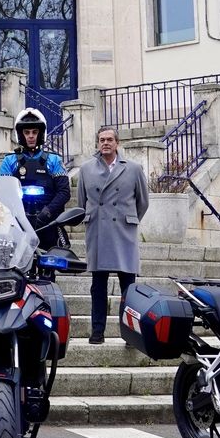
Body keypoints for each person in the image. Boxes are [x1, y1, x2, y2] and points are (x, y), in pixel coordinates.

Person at [77, 126, 150, 344]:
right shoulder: (86, 169)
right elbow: (82, 202)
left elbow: (143, 202)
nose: (105, 143)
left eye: (109, 139)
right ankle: (97, 331)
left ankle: (130, 333)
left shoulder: (134, 169)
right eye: (101, 140)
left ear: (117, 143)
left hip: (123, 232)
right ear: (97, 143)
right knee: (98, 286)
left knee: (128, 288)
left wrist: (128, 219)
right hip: (98, 231)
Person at [0, 107, 70, 250]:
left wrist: (47, 212)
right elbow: (2, 192)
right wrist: (17, 215)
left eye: (34, 132)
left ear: (40, 134)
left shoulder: (54, 160)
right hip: (18, 223)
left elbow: (64, 192)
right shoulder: (9, 161)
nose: (31, 136)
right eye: (27, 132)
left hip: (48, 221)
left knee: (48, 266)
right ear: (21, 134)